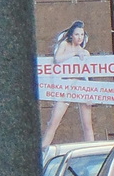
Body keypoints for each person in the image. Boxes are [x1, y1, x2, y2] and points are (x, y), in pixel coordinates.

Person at [41, 21, 96, 151]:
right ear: (71, 35)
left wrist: (91, 94)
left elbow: (88, 73)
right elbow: (57, 58)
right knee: (54, 122)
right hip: (65, 88)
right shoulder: (64, 45)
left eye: (82, 35)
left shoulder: (85, 52)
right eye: (77, 34)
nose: (79, 37)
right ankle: (42, 151)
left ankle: (92, 151)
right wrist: (74, 53)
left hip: (81, 86)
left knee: (87, 125)